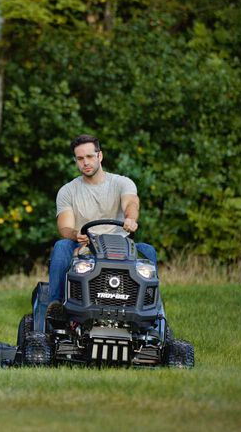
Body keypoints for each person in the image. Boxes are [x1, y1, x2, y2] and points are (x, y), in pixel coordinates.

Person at [44, 133, 157, 312]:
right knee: (61, 246)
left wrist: (130, 218)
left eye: (89, 156)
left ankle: (148, 308)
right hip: (86, 243)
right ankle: (56, 304)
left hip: (119, 244)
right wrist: (75, 234)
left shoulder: (122, 183)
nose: (85, 162)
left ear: (100, 156)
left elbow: (131, 203)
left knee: (148, 251)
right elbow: (65, 226)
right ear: (76, 161)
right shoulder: (67, 191)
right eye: (80, 158)